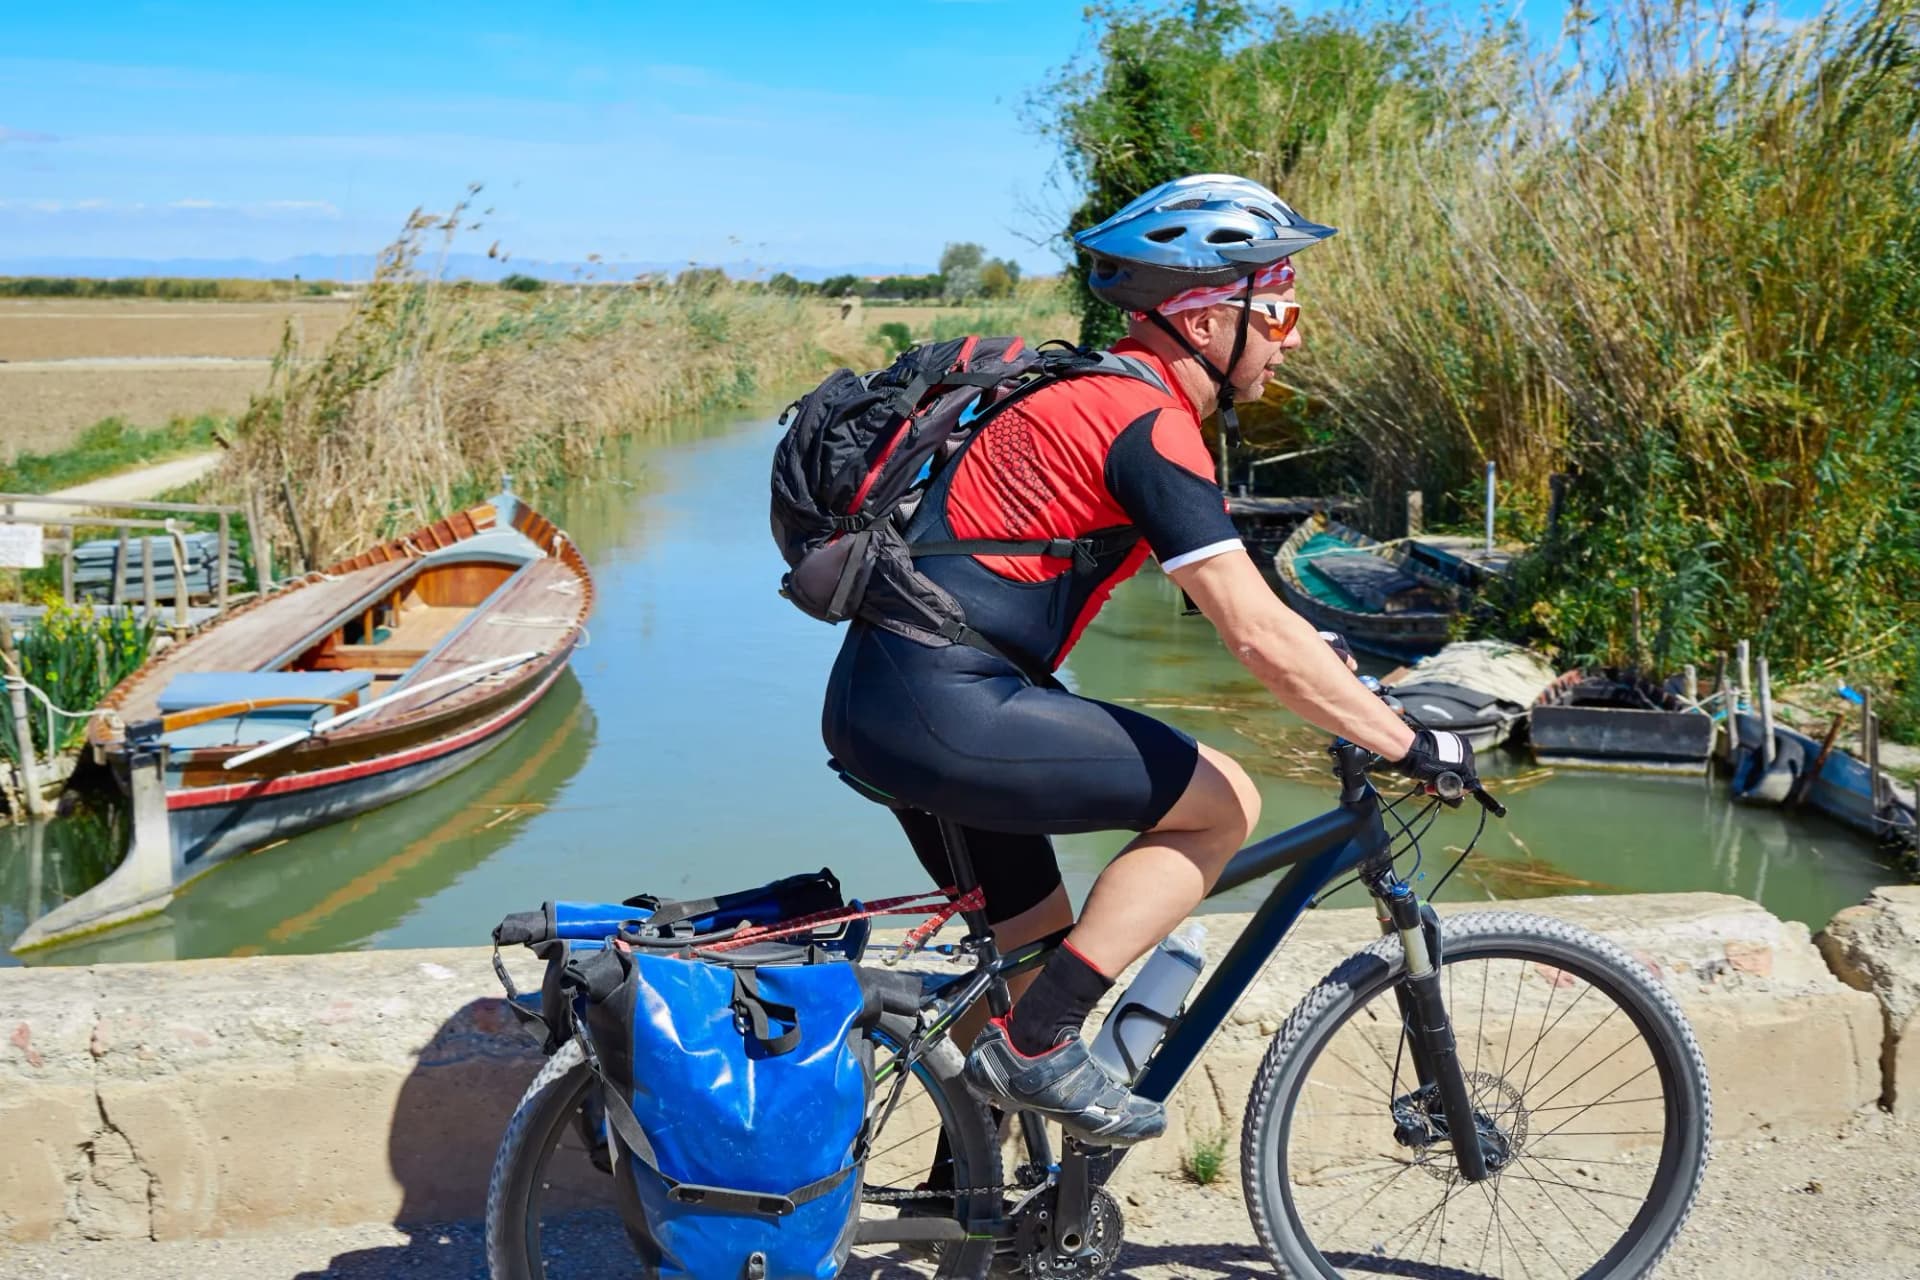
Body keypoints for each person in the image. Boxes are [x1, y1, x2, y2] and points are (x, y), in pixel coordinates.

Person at [820, 173, 1476, 1146]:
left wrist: (1325, 659)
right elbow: (1250, 635)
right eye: (1282, 309)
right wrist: (1404, 738)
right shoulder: (1146, 421)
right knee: (1225, 802)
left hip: (891, 697)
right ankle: (1040, 1044)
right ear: (1209, 321)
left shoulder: (1090, 391)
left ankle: (972, 1211)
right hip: (947, 705)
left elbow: (1238, 603)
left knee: (1033, 956)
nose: (1291, 335)